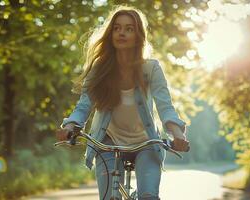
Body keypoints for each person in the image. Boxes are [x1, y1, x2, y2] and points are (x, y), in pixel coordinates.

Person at [56, 5, 190, 200]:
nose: (121, 33)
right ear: (111, 34)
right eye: (117, 28)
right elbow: (84, 105)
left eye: (129, 29)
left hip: (146, 143)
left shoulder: (150, 69)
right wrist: (69, 126)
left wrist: (177, 135)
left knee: (148, 196)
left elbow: (165, 107)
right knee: (109, 197)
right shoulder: (100, 69)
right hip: (107, 143)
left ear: (138, 36)